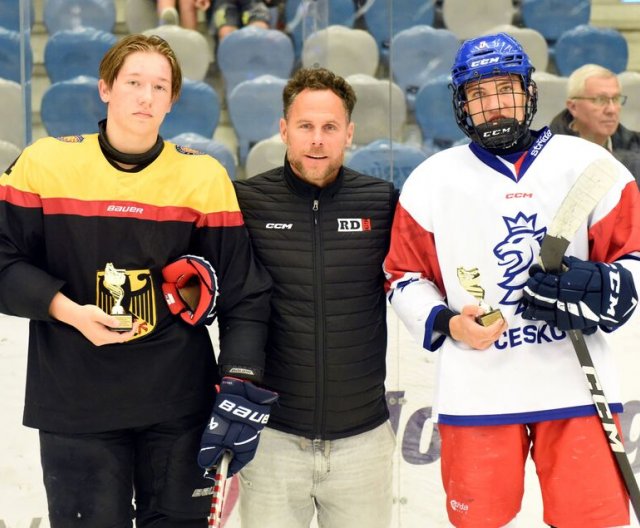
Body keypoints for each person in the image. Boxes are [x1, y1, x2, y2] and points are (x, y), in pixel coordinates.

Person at [0, 34, 274, 527]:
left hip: (178, 407)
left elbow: (244, 292)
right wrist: (68, 310)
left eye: (159, 86)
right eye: (133, 82)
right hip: (74, 404)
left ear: (172, 100)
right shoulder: (45, 164)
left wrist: (240, 380)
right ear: (106, 88)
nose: (146, 96)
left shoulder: (203, 177)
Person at [384, 33, 640, 528]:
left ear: (528, 92)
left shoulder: (591, 166)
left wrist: (605, 288)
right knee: (481, 521)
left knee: (591, 521)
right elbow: (403, 276)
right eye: (478, 94)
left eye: (504, 89)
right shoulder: (432, 180)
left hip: (576, 388)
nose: (494, 105)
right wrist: (449, 323)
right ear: (461, 105)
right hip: (478, 386)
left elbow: (634, 257)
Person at [230, 67, 397, 528]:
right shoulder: (245, 202)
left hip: (362, 442)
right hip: (273, 440)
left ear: (350, 133)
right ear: (284, 130)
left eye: (329, 127)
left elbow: (421, 278)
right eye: (305, 126)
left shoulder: (382, 203)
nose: (317, 140)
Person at [550, 63, 640, 185]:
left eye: (616, 99)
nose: (611, 110)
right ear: (573, 107)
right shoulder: (548, 155)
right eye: (600, 100)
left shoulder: (635, 146)